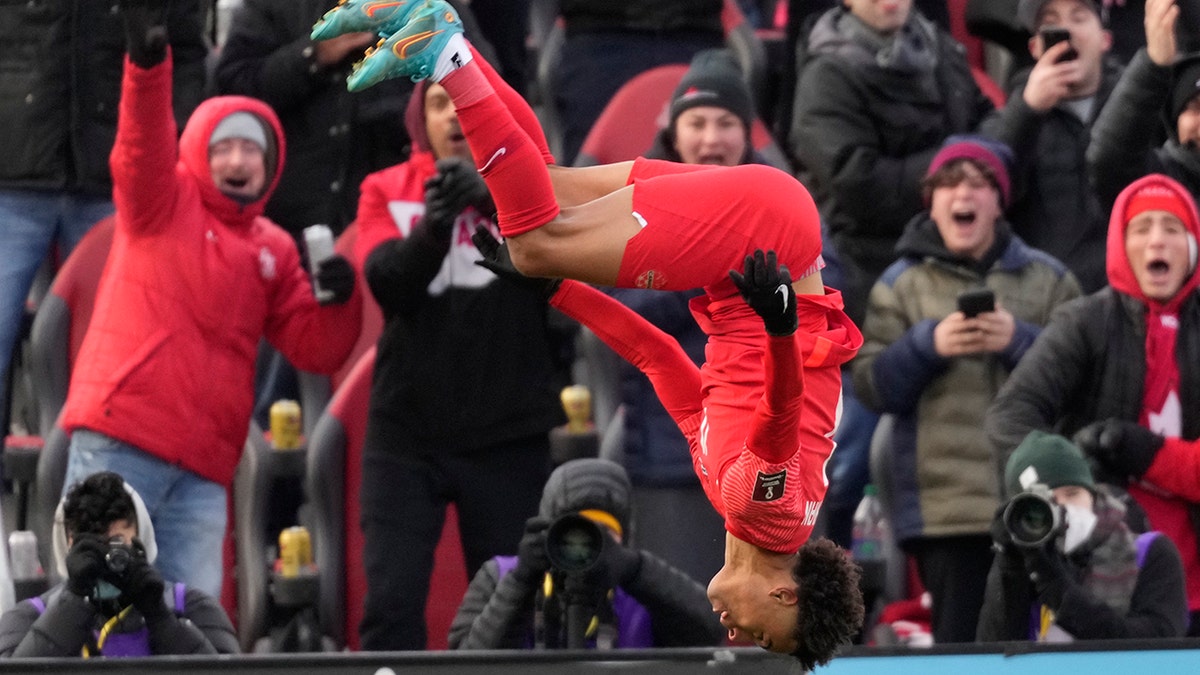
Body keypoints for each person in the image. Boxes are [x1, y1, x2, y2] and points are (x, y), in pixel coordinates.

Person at [315, 0, 866, 665]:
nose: (735, 633)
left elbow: (659, 357)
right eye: (762, 635)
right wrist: (780, 329)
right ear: (787, 599)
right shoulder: (769, 516)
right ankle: (445, 54)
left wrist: (559, 294)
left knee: (545, 192)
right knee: (537, 240)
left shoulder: (731, 496)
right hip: (766, 239)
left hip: (760, 234)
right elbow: (779, 417)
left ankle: (443, 32)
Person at [58, 0, 363, 600]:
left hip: (203, 472)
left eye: (252, 149)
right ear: (198, 150)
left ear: (272, 163)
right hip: (121, 444)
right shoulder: (161, 201)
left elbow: (318, 349)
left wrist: (341, 300)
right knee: (100, 612)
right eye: (223, 146)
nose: (237, 159)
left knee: (191, 630)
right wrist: (147, 65)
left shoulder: (274, 248)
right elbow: (141, 141)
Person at [351, 79, 570, 650]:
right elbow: (388, 287)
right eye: (438, 103)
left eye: (465, 102)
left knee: (511, 611)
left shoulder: (537, 190)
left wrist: (495, 200)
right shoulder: (383, 188)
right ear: (419, 117)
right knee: (390, 606)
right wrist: (434, 227)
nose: (453, 115)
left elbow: (559, 283)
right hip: (407, 436)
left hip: (508, 432)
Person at [852, 136, 1081, 643]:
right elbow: (870, 386)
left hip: (1043, 500)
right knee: (962, 649)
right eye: (949, 184)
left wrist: (1020, 341)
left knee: (1049, 645)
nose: (964, 195)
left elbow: (1085, 379)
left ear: (1000, 201)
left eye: (978, 184)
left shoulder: (1050, 280)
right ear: (929, 201)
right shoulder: (900, 285)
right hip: (946, 515)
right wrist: (925, 345)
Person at [986, 172, 1200, 635]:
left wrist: (1152, 455)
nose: (1157, 241)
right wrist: (1066, 476)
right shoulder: (1086, 322)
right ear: (1121, 246)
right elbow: (1012, 414)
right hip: (1105, 561)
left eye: (1171, 228)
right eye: (1141, 229)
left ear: (1194, 245)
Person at [0, 0, 207, 433]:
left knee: (118, 354)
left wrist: (170, 143)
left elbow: (187, 53)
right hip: (14, 172)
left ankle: (99, 484)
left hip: (117, 176)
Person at [788, 0, 995, 328]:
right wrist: (952, 167)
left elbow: (984, 122)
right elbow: (856, 182)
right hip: (869, 263)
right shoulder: (827, 75)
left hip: (958, 247)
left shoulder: (939, 47)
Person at [448, 458, 723, 649]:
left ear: (624, 538)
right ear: (549, 530)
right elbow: (467, 664)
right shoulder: (501, 576)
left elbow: (710, 632)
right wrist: (521, 582)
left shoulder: (644, 593)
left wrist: (636, 568)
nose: (587, 547)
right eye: (574, 533)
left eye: (604, 535)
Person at [977, 431, 1188, 641]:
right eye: (1047, 502)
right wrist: (1010, 565)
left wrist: (1057, 588)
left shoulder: (1150, 553)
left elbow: (1158, 647)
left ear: (1093, 494)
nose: (1063, 508)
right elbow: (993, 658)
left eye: (1072, 494)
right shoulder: (1023, 562)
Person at [0, 472, 239, 657]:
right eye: (90, 547)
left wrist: (161, 619)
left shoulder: (191, 608)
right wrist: (72, 603)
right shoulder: (28, 618)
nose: (106, 560)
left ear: (141, 538)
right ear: (67, 546)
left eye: (116, 544)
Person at [979, 0, 1123, 294]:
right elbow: (985, 183)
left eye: (1079, 18)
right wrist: (1028, 110)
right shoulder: (1009, 117)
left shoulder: (1138, 107)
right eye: (1051, 21)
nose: (1066, 30)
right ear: (1034, 48)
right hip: (1051, 302)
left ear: (1105, 39)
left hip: (1133, 293)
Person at [1087, 0, 1200, 209]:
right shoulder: (1162, 180)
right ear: (1174, 124)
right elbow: (1108, 163)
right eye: (1194, 107)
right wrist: (1154, 64)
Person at [645, 48, 767, 167]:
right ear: (675, 137)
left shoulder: (773, 185)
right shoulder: (636, 184)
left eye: (726, 124)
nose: (711, 139)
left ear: (746, 137)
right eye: (696, 124)